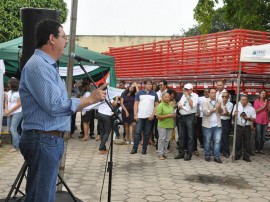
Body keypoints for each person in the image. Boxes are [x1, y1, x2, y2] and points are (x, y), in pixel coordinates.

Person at [18, 19, 107, 202]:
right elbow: (55, 105)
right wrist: (89, 99)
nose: (66, 42)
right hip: (43, 138)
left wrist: (88, 100)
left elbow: (58, 102)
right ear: (52, 38)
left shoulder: (47, 66)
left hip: (47, 138)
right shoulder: (39, 66)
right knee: (41, 198)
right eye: (64, 37)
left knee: (40, 195)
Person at [130, 79, 159, 155]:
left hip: (149, 117)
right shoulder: (139, 93)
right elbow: (136, 104)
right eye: (148, 84)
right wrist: (135, 114)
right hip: (140, 116)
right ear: (145, 85)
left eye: (151, 84)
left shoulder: (154, 94)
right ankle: (134, 148)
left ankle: (144, 149)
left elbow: (157, 105)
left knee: (147, 133)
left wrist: (153, 114)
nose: (150, 85)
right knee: (137, 132)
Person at [175, 83, 198, 161]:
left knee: (190, 136)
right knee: (181, 136)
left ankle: (189, 154)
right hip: (181, 116)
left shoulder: (195, 96)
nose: (185, 91)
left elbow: (192, 105)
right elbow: (180, 104)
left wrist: (188, 96)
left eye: (187, 89)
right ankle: (181, 153)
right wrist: (179, 105)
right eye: (185, 89)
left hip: (189, 117)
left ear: (191, 89)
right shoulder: (183, 95)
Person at [202, 88, 223, 163]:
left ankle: (216, 157)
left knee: (217, 141)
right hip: (207, 125)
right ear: (209, 94)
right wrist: (214, 109)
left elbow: (221, 112)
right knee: (207, 141)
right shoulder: (205, 102)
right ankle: (207, 155)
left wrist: (219, 107)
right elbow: (206, 112)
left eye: (215, 93)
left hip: (217, 125)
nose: (214, 94)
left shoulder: (219, 101)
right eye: (212, 93)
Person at [232, 95, 256, 162]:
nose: (244, 101)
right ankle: (237, 155)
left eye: (245, 100)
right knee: (238, 142)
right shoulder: (236, 107)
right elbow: (233, 118)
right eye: (242, 99)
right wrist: (234, 115)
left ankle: (246, 156)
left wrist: (247, 118)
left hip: (247, 127)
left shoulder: (251, 108)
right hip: (238, 126)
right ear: (240, 100)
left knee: (247, 142)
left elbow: (254, 119)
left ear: (248, 100)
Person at [5, 78, 23, 152]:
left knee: (13, 129)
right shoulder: (9, 92)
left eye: (9, 83)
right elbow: (6, 102)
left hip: (18, 112)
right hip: (9, 112)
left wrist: (9, 111)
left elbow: (19, 104)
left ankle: (16, 147)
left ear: (13, 84)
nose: (8, 84)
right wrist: (6, 110)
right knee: (9, 130)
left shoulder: (19, 92)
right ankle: (23, 141)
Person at [156, 93, 176, 160]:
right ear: (162, 98)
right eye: (165, 97)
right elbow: (158, 116)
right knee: (162, 139)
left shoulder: (170, 105)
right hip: (162, 125)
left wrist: (173, 115)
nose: (167, 98)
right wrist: (168, 115)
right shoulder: (160, 105)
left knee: (167, 140)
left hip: (170, 125)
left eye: (168, 97)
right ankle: (160, 154)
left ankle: (164, 153)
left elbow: (172, 113)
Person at [253, 90, 270, 154]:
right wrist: (264, 106)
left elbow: (269, 110)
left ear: (266, 95)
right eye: (262, 93)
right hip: (258, 120)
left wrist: (267, 104)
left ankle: (261, 148)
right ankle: (257, 148)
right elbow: (256, 111)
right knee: (257, 135)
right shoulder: (256, 101)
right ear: (259, 94)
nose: (263, 94)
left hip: (265, 120)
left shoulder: (267, 102)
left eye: (264, 93)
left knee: (263, 136)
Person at [220, 91, 233, 158]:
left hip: (225, 122)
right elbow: (218, 112)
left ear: (228, 97)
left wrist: (224, 105)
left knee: (225, 137)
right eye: (223, 96)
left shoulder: (230, 104)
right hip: (219, 121)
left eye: (226, 97)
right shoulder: (219, 102)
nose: (224, 98)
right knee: (218, 137)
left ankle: (226, 152)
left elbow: (227, 113)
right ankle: (219, 150)